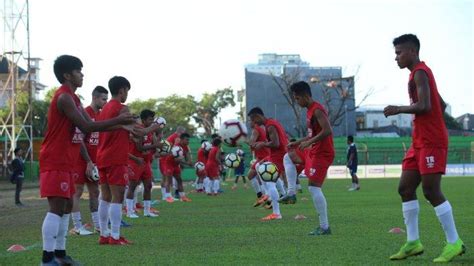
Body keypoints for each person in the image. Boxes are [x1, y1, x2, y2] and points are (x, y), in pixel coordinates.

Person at [39, 55, 134, 265]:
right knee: (56, 206)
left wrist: (119, 125)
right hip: (55, 158)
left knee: (65, 206)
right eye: (78, 71)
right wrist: (119, 121)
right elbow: (87, 127)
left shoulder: (73, 98)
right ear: (67, 75)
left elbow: (89, 124)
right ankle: (47, 259)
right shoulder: (63, 98)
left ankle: (60, 254)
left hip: (66, 159)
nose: (82, 74)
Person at [384, 34, 465, 263]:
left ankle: (454, 242)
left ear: (412, 51)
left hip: (431, 141)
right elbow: (440, 103)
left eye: (399, 52)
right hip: (419, 141)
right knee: (405, 188)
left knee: (431, 191)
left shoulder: (420, 71)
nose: (396, 57)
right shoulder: (418, 74)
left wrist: (398, 109)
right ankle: (413, 242)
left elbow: (426, 105)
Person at [285, 81, 335, 235]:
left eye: (297, 98)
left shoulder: (317, 110)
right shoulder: (308, 110)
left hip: (322, 153)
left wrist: (308, 142)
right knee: (288, 156)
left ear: (306, 96)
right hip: (312, 150)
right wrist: (298, 142)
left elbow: (327, 130)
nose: (296, 101)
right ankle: (291, 193)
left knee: (314, 187)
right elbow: (311, 135)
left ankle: (325, 227)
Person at [96, 76, 140, 246]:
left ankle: (104, 234)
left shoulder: (104, 109)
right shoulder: (122, 108)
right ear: (122, 90)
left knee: (105, 196)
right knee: (117, 196)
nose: (127, 94)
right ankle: (115, 236)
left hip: (102, 156)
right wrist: (155, 127)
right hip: (115, 157)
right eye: (127, 91)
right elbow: (138, 132)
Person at [70, 86, 108, 236]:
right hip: (81, 160)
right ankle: (77, 226)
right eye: (103, 99)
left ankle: (98, 226)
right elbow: (79, 140)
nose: (105, 102)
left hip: (95, 162)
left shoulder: (102, 115)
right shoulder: (84, 113)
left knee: (94, 192)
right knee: (77, 191)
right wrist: (87, 161)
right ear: (95, 97)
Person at [247, 107, 289, 221]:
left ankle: (276, 212)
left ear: (258, 116)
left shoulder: (270, 126)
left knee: (270, 183)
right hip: (276, 155)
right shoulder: (271, 123)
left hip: (279, 156)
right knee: (259, 167)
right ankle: (277, 195)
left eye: (253, 119)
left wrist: (262, 144)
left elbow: (276, 143)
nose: (253, 122)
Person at [125, 109, 161, 218]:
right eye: (150, 119)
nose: (152, 122)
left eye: (153, 119)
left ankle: (147, 211)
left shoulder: (150, 131)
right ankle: (129, 211)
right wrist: (155, 146)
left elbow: (155, 144)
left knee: (148, 185)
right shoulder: (139, 130)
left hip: (145, 162)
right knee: (132, 186)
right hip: (135, 161)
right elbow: (140, 147)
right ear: (144, 120)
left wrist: (159, 137)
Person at [247, 121, 271, 207]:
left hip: (263, 157)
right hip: (262, 157)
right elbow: (253, 146)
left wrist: (241, 140)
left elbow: (251, 143)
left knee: (265, 180)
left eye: (250, 120)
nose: (249, 122)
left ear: (254, 120)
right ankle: (262, 196)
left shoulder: (256, 130)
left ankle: (268, 199)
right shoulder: (261, 129)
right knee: (252, 176)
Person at [163, 133, 193, 202]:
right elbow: (177, 159)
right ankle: (168, 197)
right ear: (182, 140)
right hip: (169, 164)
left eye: (188, 140)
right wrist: (187, 163)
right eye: (187, 140)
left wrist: (189, 162)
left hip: (176, 165)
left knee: (179, 180)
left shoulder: (186, 147)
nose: (188, 142)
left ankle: (183, 197)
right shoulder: (176, 147)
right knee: (169, 180)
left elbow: (187, 155)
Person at [160, 126, 186, 203]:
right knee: (166, 178)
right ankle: (165, 196)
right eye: (183, 133)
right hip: (165, 160)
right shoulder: (174, 138)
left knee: (170, 179)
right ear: (180, 132)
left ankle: (167, 196)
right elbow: (168, 149)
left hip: (170, 161)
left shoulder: (176, 138)